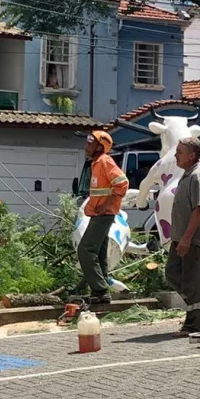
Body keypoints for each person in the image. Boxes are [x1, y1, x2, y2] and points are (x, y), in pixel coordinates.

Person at [167, 137, 200, 334]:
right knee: (172, 273)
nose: (176, 155)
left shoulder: (197, 177)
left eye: (179, 152)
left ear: (192, 156)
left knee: (193, 281)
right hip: (180, 237)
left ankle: (195, 322)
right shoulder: (187, 174)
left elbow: (198, 210)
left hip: (193, 239)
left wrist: (186, 238)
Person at [78, 130, 128, 304]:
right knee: (98, 252)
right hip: (99, 214)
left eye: (90, 142)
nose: (87, 145)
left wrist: (106, 206)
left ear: (100, 146)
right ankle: (100, 289)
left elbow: (122, 183)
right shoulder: (96, 163)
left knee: (85, 249)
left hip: (103, 215)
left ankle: (100, 291)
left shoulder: (105, 161)